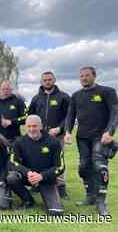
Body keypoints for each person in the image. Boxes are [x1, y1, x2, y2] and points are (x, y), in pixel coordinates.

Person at [64, 66, 118, 215]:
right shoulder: (76, 95)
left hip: (101, 136)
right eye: (81, 76)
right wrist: (68, 132)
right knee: (83, 167)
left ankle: (101, 202)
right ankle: (90, 196)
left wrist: (110, 131)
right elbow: (70, 115)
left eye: (87, 75)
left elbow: (115, 112)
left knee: (100, 167)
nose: (84, 78)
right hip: (82, 137)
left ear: (94, 76)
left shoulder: (107, 92)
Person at [8, 115, 65, 215]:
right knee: (11, 178)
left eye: (34, 126)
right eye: (29, 126)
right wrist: (28, 172)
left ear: (41, 126)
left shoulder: (53, 142)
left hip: (46, 179)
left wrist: (42, 176)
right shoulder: (19, 142)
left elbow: (60, 167)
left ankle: (49, 196)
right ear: (25, 127)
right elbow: (12, 162)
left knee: (57, 212)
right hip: (28, 176)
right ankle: (28, 200)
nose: (31, 129)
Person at [28, 71, 70, 199]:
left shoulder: (63, 97)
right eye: (45, 80)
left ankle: (61, 187)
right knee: (38, 159)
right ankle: (37, 184)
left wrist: (60, 128)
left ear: (54, 80)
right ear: (41, 82)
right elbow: (30, 116)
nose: (47, 81)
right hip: (40, 137)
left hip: (57, 136)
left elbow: (69, 116)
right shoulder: (36, 98)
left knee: (57, 161)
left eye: (49, 79)